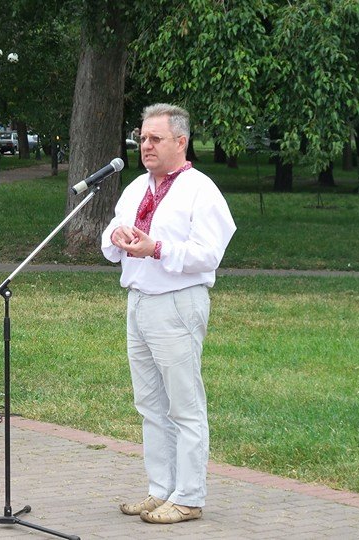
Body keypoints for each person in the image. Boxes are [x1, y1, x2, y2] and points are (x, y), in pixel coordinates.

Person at [102, 103, 236, 525]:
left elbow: (209, 254)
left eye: (155, 138)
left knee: (184, 405)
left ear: (181, 141)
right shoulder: (136, 187)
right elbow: (110, 235)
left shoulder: (201, 190)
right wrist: (117, 236)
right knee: (149, 404)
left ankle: (190, 496)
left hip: (177, 302)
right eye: (142, 138)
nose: (146, 145)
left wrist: (156, 248)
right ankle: (161, 489)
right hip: (139, 300)